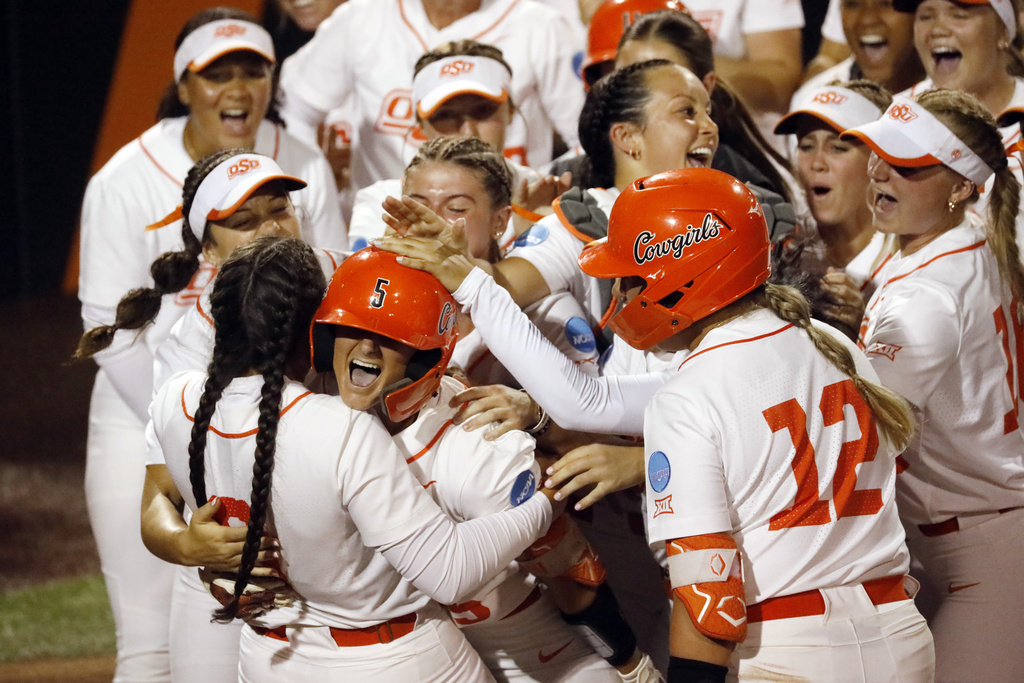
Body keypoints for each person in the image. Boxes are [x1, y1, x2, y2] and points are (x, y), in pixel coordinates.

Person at [574, 166, 933, 682]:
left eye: (631, 278)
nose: (622, 297)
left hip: (790, 652)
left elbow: (709, 601)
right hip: (901, 635)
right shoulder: (837, 345)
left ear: (680, 273)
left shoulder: (687, 395)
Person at [149, 235, 557, 683]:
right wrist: (544, 503)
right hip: (390, 661)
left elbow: (156, 510)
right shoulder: (339, 427)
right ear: (313, 329)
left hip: (265, 661)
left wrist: (187, 548)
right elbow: (450, 574)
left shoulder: (176, 399)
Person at [79, 13, 342, 661]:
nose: (239, 86)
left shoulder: (301, 160)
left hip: (276, 413)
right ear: (184, 85)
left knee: (290, 634)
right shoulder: (123, 179)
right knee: (148, 648)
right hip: (149, 408)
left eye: (254, 69)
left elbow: (332, 283)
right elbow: (112, 336)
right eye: (217, 72)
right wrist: (195, 435)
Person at [309, 247, 659, 682]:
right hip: (374, 639)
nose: (364, 345)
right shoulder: (298, 404)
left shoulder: (478, 446)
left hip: (513, 639)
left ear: (425, 359)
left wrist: (627, 661)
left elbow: (572, 570)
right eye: (350, 326)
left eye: (390, 336)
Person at [84, 148, 320, 683]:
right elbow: (157, 503)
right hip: (227, 569)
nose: (270, 230)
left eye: (279, 209)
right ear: (208, 252)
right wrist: (186, 543)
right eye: (243, 221)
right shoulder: (188, 351)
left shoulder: (352, 286)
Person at [843, 88, 1024, 682]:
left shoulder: (927, 295)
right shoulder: (969, 239)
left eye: (909, 166)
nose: (880, 174)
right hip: (964, 537)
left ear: (960, 186)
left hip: (985, 550)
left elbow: (861, 432)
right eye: (878, 154)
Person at [278, 0, 586, 199]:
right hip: (391, 216)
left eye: (482, 111)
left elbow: (586, 137)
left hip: (511, 219)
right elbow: (295, 106)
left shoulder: (540, 26)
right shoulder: (362, 18)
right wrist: (317, 194)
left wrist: (542, 187)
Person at [348, 41, 571, 251]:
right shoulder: (380, 204)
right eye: (445, 115)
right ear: (420, 124)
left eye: (482, 111)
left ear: (511, 111)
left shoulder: (550, 199)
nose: (467, 132)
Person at [773, 80, 895, 338]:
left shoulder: (909, 256)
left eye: (837, 147)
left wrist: (865, 326)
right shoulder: (782, 249)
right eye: (806, 146)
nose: (817, 163)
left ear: (879, 160)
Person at [792, 0, 924, 110]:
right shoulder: (812, 99)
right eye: (853, 4)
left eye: (886, 4)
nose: (867, 19)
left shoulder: (942, 103)